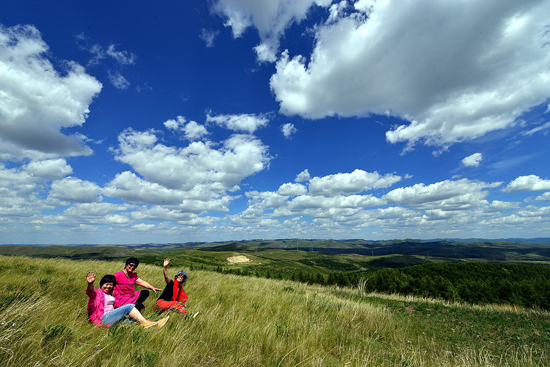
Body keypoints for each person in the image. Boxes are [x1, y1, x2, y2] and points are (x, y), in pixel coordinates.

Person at [86, 271, 169, 328]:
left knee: (133, 324)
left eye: (111, 285)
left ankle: (156, 324)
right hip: (103, 318)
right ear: (101, 284)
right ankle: (146, 322)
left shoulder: (110, 295)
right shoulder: (97, 293)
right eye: (106, 284)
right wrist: (90, 283)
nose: (108, 287)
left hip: (112, 317)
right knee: (129, 307)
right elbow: (90, 292)